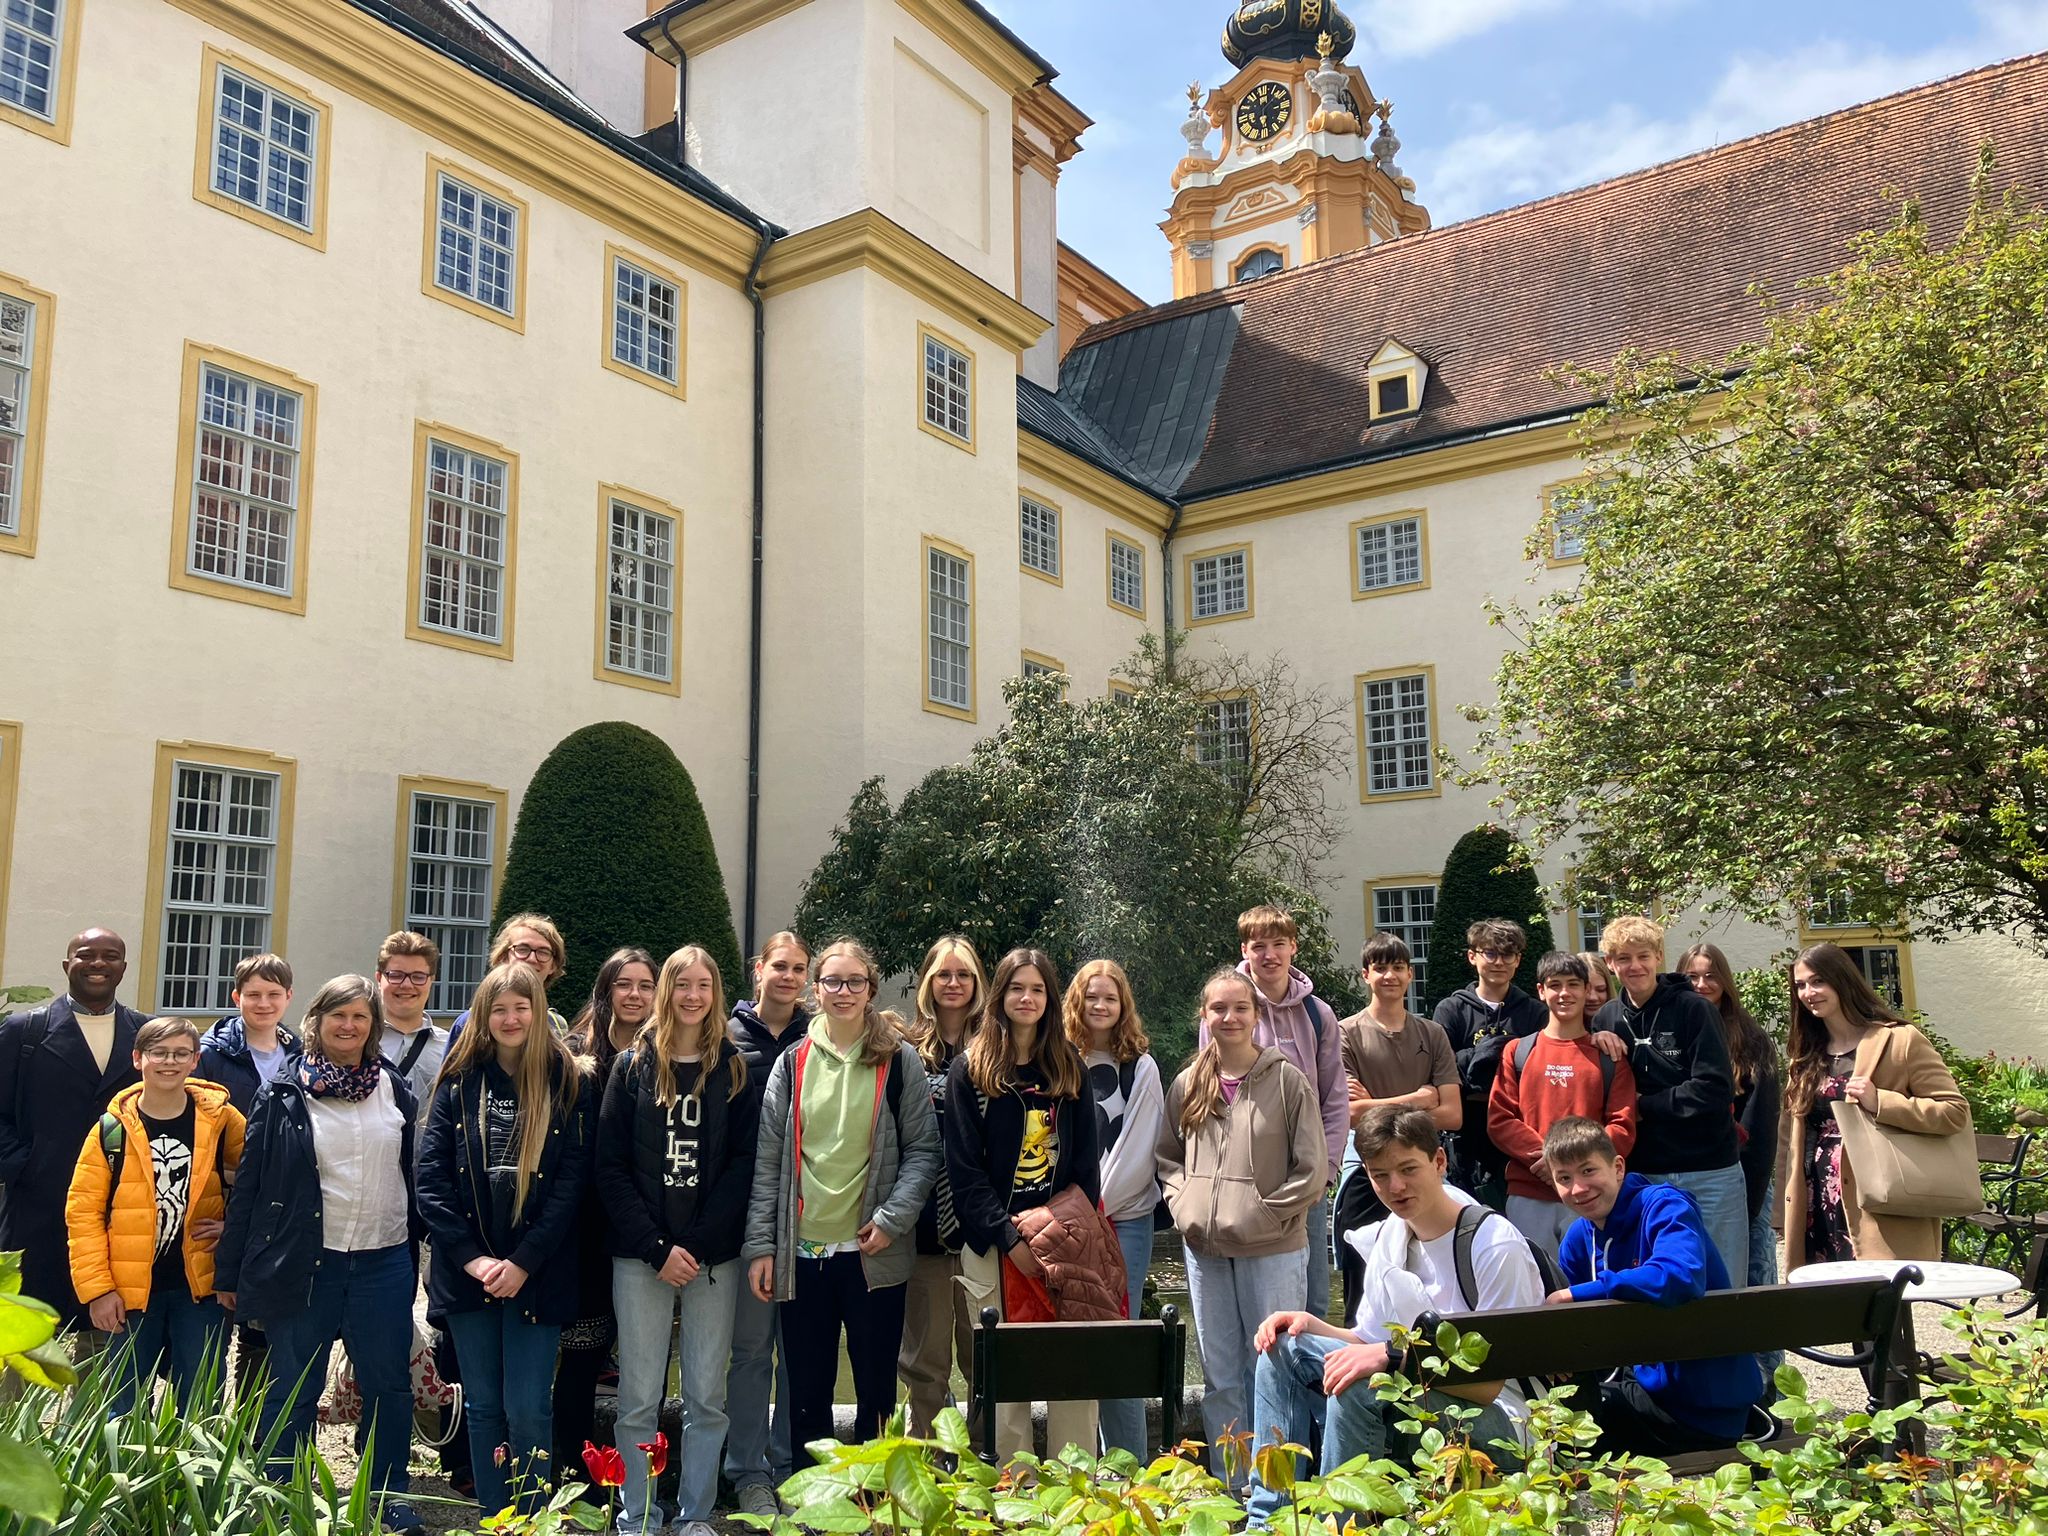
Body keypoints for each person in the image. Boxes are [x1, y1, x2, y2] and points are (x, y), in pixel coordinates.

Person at [1244, 1106, 1544, 1528]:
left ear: (1439, 1162)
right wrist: (1307, 1324)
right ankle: (1269, 1521)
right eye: (1380, 1175)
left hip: (1506, 1429)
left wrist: (1391, 1357)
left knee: (1362, 1384)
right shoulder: (1391, 1234)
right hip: (1425, 1401)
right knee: (1282, 1348)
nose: (1395, 1186)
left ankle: (1338, 1522)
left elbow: (1488, 1385)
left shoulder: (1493, 1245)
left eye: (1408, 1169)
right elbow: (1365, 1339)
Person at [214, 975, 426, 1534]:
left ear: (373, 1025)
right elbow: (253, 1186)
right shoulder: (283, 1092)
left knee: (388, 1384)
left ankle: (386, 1495)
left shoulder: (395, 1088)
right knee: (293, 1383)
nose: (349, 1026)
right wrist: (232, 1269)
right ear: (317, 1020)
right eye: (339, 1016)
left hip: (383, 1259)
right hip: (309, 1261)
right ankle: (280, 1494)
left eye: (360, 1017)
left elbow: (412, 1171)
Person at [746, 940, 939, 1462]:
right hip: (804, 1255)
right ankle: (817, 1504)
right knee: (808, 1392)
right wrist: (763, 1247)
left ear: (871, 990)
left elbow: (924, 1153)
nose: (844, 991)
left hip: (873, 1252)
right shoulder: (791, 1064)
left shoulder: (899, 1062)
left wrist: (892, 1220)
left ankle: (874, 1503)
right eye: (833, 981)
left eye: (855, 981)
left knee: (876, 1390)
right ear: (817, 989)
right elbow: (769, 1165)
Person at [417, 962, 592, 1519]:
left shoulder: (567, 1081)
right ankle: (498, 1518)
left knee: (529, 1408)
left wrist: (522, 1261)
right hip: (471, 1276)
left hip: (536, 1275)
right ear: (484, 1017)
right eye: (500, 1009)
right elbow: (431, 1181)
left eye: (522, 1007)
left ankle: (535, 1517)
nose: (511, 1018)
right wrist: (473, 1261)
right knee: (486, 1405)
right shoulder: (457, 1082)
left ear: (538, 1012)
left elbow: (572, 1186)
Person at [596, 946, 756, 1536]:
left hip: (713, 1259)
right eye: (682, 984)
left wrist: (698, 1243)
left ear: (717, 993)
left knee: (706, 1397)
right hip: (643, 1258)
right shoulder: (633, 1065)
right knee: (638, 1396)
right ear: (668, 991)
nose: (693, 996)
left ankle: (694, 1514)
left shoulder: (734, 1067)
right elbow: (609, 1167)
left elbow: (744, 1165)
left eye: (704, 985)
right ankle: (636, 1514)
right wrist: (658, 1248)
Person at [1160, 967, 1323, 1485]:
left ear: (1257, 1015)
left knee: (1274, 1371)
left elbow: (1313, 1167)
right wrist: (1182, 1203)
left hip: (1271, 1247)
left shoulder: (1286, 1079)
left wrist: (1265, 1213)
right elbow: (1167, 1157)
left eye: (1240, 1008)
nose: (1229, 1018)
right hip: (1205, 1249)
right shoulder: (1188, 1082)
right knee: (1221, 1375)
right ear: (1203, 1016)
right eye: (1218, 1009)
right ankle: (1231, 1488)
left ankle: (1278, 1490)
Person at [945, 947, 1105, 1462]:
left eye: (1037, 989)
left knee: (1073, 1371)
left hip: (1062, 1242)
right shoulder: (971, 1070)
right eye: (1017, 988)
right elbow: (964, 1171)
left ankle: (1074, 1487)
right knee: (1004, 1380)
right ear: (1000, 996)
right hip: (993, 1248)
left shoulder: (1069, 1065)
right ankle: (1015, 1491)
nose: (1027, 998)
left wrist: (1058, 1231)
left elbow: (1086, 1167)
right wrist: (1009, 1238)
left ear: (1050, 999)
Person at [1544, 1116, 1763, 1456]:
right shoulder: (1577, 1241)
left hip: (1703, 1413)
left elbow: (1680, 1274)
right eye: (1564, 1178)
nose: (1578, 1188)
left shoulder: (1664, 1206)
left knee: (1558, 1440)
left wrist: (1579, 1293)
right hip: (1646, 1393)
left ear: (1618, 1167)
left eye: (1589, 1171)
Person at [65, 1016, 245, 1415]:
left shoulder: (221, 1121)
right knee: (120, 1406)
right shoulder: (111, 1131)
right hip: (128, 1293)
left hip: (200, 1289)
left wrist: (234, 1230)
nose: (169, 1062)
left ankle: (193, 1478)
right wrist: (97, 1290)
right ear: (137, 1058)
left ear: (195, 1059)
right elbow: (83, 1212)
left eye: (181, 1053)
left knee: (199, 1402)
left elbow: (263, 1180)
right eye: (158, 1053)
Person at [1778, 942, 1968, 1268]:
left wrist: (1880, 1101)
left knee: (1880, 1303)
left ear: (1843, 981)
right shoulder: (1806, 1054)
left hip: (1877, 1199)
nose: (1808, 992)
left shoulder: (1899, 1040)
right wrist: (1783, 1210)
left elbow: (1954, 1112)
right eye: (1800, 985)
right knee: (1823, 1305)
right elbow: (1788, 1142)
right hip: (1815, 1199)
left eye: (1818, 981)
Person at [0, 928, 146, 1336]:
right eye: (87, 954)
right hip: (38, 1209)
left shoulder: (145, 1033)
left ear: (123, 968)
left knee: (105, 1336)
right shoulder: (23, 1032)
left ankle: (93, 1403)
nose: (98, 963)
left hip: (117, 1212)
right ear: (68, 965)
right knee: (25, 1337)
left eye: (110, 956)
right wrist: (24, 1166)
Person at [1595, 916, 1749, 1282]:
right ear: (1610, 964)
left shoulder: (1695, 1009)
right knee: (1659, 1276)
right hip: (1647, 1170)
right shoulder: (1606, 1018)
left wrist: (1642, 1107)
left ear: (1659, 957)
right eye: (1624, 958)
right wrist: (1595, 1041)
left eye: (1643, 956)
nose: (1635, 966)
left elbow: (1713, 1088)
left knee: (1724, 1282)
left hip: (1710, 1167)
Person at [554, 946, 656, 1495]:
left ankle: (642, 1476)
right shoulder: (576, 1055)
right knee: (582, 1355)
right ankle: (574, 1474)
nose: (635, 994)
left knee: (643, 1360)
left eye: (645, 984)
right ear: (607, 990)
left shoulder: (667, 1054)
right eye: (625, 984)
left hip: (645, 1228)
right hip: (587, 1230)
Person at [1213, 906, 1346, 1323]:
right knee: (1253, 1299)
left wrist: (1326, 1168)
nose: (1269, 955)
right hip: (1244, 1176)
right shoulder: (1225, 1009)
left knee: (1313, 1295)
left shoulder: (1317, 1014)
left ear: (1293, 948)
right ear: (1244, 951)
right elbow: (1209, 1089)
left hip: (1303, 1174)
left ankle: (1311, 1384)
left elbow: (1335, 1096)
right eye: (1259, 946)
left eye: (1278, 944)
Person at [1332, 932, 1461, 1331]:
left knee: (1431, 1282)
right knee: (1361, 1289)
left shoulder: (1431, 1033)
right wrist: (1420, 1099)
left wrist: (1378, 1103)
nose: (1390, 975)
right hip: (1365, 1174)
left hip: (1423, 1169)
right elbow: (1350, 1114)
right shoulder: (1344, 1032)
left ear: (1410, 975)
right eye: (1381, 968)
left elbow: (1453, 1114)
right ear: (1365, 975)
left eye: (1398, 968)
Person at [724, 929, 811, 1514]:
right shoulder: (725, 1038)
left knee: (801, 1350)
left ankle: (792, 1468)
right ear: (758, 969)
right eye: (779, 965)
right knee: (752, 1351)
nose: (788, 976)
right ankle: (748, 1470)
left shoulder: (823, 1035)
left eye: (798, 968)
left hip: (810, 1218)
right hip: (745, 1220)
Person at [1065, 957, 1163, 1458]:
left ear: (1124, 1005)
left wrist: (1092, 1210)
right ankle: (1082, 1463)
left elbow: (1140, 1151)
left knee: (1116, 1340)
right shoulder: (1059, 1060)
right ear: (1075, 1002)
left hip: (1123, 1222)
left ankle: (1131, 1468)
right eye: (1091, 996)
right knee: (1073, 1344)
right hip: (1065, 1226)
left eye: (1110, 997)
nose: (1100, 1005)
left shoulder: (1140, 1067)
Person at [1487, 952, 1638, 1257]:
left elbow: (1622, 1124)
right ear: (1541, 991)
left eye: (1573, 984)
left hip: (1590, 1194)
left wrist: (1577, 1168)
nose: (1565, 993)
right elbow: (1500, 1119)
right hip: (1529, 1191)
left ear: (1586, 990)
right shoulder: (1519, 1051)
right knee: (1534, 1288)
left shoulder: (1608, 1057)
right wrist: (1551, 1161)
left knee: (1590, 1289)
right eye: (1555, 985)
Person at [898, 935, 986, 1438]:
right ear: (927, 983)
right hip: (925, 1233)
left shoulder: (999, 1050)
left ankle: (986, 1475)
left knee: (984, 1362)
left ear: (978, 984)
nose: (954, 984)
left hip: (982, 1235)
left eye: (965, 975)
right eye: (944, 975)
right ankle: (924, 1477)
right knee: (924, 1366)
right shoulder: (905, 1052)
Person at [1679, 944, 1782, 1291]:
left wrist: (1750, 1189)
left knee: (1752, 1277)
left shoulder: (1750, 1039)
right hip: (1687, 1169)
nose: (1701, 984)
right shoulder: (1673, 1032)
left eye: (1710, 976)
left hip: (1743, 1171)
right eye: (1691, 976)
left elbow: (1762, 1122)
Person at [1432, 919, 1548, 1207]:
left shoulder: (1534, 1012)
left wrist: (1479, 1060)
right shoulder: (1451, 1009)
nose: (1499, 962)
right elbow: (1443, 1072)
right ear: (1473, 956)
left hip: (1519, 1135)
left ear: (1518, 960)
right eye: (1490, 953)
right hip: (1466, 1137)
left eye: (1507, 954)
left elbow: (1539, 1072)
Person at [196, 953, 300, 1114]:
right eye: (254, 995)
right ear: (237, 998)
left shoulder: (299, 1055)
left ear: (288, 997)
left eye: (274, 994)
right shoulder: (209, 1054)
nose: (264, 1004)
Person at [447, 915, 572, 1047]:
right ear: (503, 957)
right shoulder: (469, 1022)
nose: (532, 958)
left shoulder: (557, 1024)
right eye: (523, 949)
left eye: (543, 952)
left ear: (553, 966)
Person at [376, 932, 450, 1120]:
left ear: (431, 980)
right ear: (379, 978)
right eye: (396, 975)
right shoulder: (358, 1042)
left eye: (418, 977)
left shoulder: (451, 1048)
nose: (407, 985)